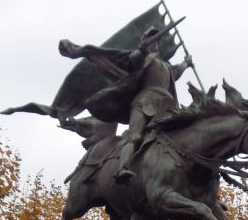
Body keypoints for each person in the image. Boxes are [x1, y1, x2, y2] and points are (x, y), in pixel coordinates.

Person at [59, 27, 193, 182]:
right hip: (144, 103)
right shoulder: (143, 59)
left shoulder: (166, 66)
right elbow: (134, 60)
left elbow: (176, 73)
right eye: (151, 40)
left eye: (156, 40)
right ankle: (123, 168)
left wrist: (186, 63)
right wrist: (141, 50)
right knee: (135, 136)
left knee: (180, 138)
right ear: (145, 42)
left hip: (167, 106)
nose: (154, 42)